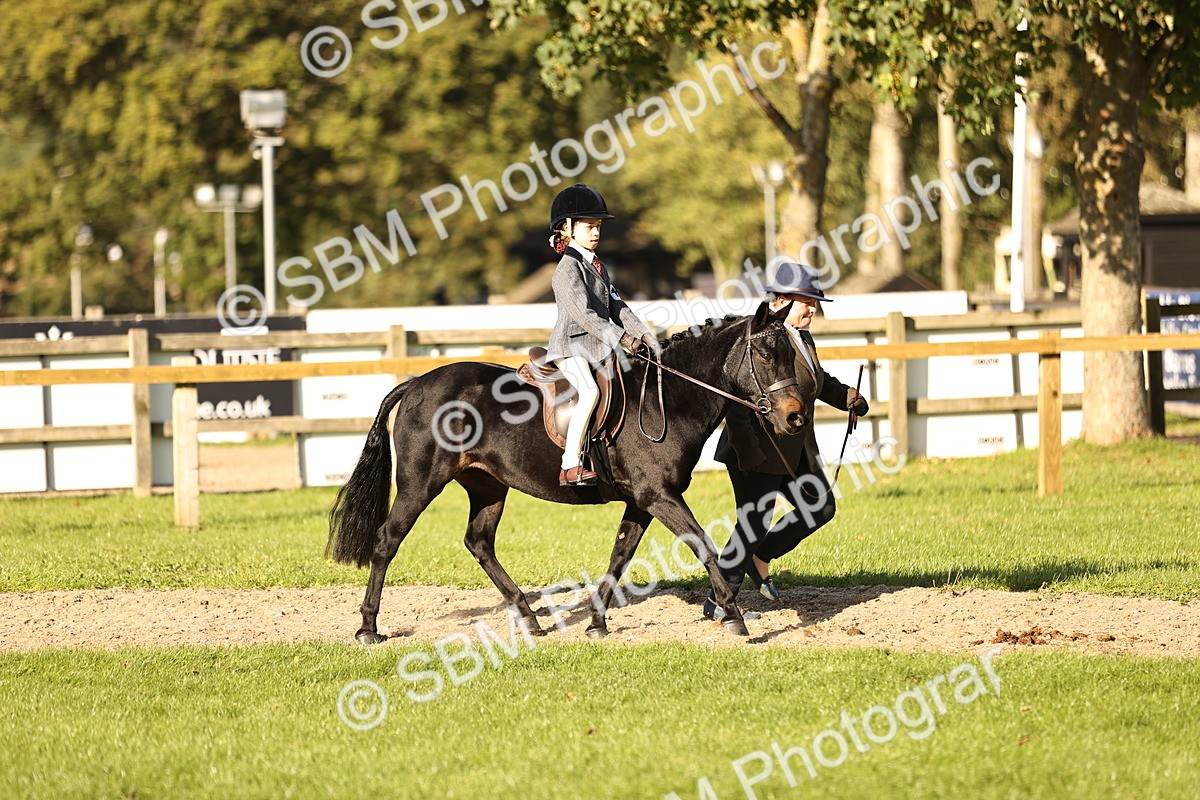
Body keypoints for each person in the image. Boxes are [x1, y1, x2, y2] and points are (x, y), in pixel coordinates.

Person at [704, 261, 869, 619]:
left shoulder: (800, 337)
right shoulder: (760, 339)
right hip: (759, 449)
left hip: (797, 452)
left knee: (821, 508)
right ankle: (719, 601)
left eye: (814, 302)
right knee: (752, 523)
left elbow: (816, 380)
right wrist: (748, 452)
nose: (813, 308)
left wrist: (847, 398)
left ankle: (761, 558)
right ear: (780, 301)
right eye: (805, 301)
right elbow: (737, 399)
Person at [545, 183, 657, 487]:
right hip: (570, 347)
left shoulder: (597, 267)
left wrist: (646, 337)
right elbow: (585, 315)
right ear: (567, 228)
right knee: (590, 393)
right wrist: (622, 339)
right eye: (589, 226)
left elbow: (618, 307)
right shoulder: (567, 270)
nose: (596, 232)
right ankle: (569, 466)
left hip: (596, 346)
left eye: (598, 227)